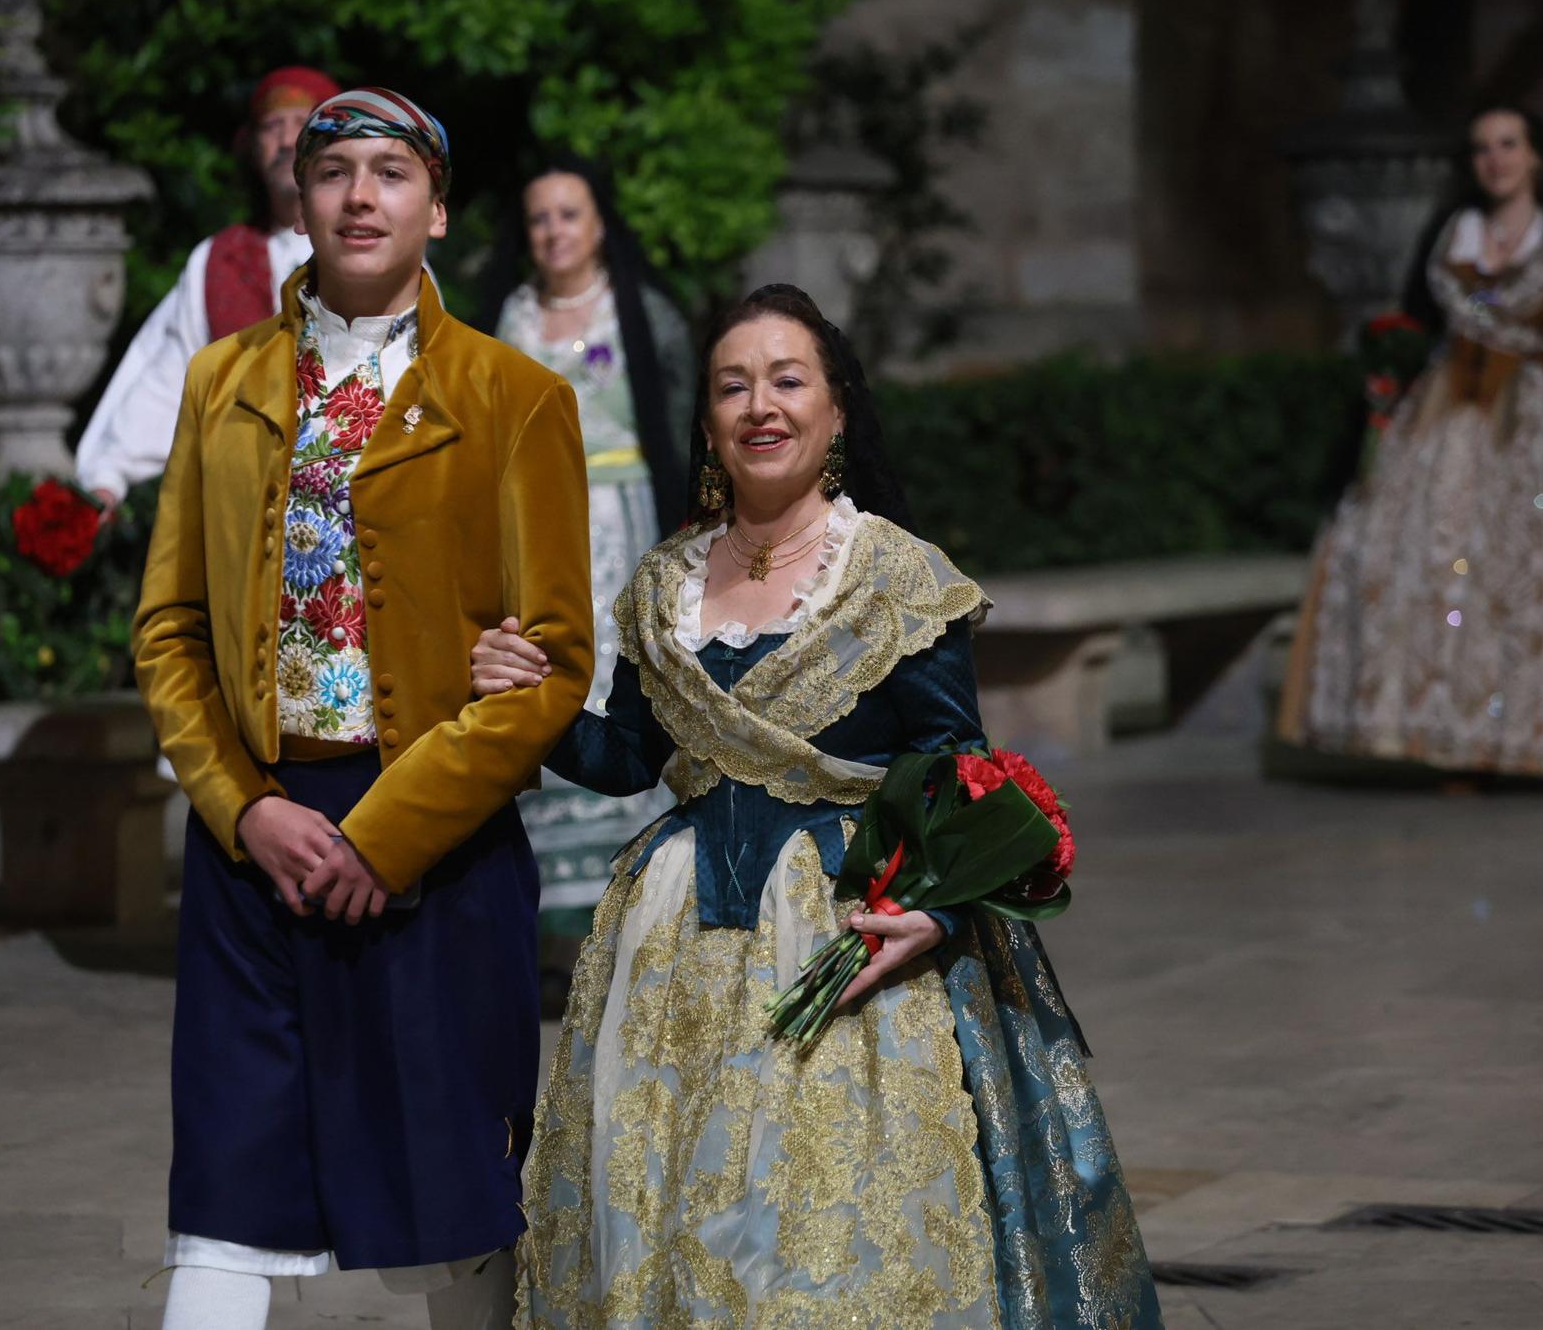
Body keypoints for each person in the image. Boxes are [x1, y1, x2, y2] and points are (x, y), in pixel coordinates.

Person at [473, 284, 1162, 1327]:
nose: (761, 405)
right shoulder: (662, 583)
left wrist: (934, 913)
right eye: (731, 385)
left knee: (822, 1232)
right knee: (676, 1220)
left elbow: (956, 769)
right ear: (705, 421)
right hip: (673, 958)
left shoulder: (892, 576)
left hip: (844, 942)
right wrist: (532, 702)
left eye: (787, 380)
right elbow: (626, 755)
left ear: (835, 410)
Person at [131, 88, 594, 1330]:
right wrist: (241, 808)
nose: (358, 194)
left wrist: (387, 836)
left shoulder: (516, 398)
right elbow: (168, 630)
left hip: (434, 846)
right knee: (228, 1188)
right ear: (300, 199)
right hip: (254, 845)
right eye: (333, 170)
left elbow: (553, 660)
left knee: (455, 1197)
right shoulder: (221, 384)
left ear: (435, 210)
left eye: (390, 173)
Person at [1279, 103, 1543, 777]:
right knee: (1408, 552)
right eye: (1482, 148)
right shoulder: (1456, 231)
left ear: (1535, 156)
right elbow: (1418, 315)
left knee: (1527, 568)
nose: (1495, 159)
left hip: (1532, 411)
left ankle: (1526, 735)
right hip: (1443, 409)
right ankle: (1438, 734)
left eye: (1507, 144)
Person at [471, 157, 694, 931]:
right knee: (542, 673)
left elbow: (678, 424)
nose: (554, 231)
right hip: (533, 524)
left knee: (619, 678)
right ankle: (548, 908)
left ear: (600, 223)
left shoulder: (643, 313)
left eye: (569, 213)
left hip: (625, 523)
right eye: (540, 217)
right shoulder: (507, 315)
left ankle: (638, 897)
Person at [75, 65, 340, 518]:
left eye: (302, 124)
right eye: (271, 127)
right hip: (244, 518)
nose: (285, 140)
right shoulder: (217, 261)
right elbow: (170, 378)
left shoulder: (378, 246)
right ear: (253, 148)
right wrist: (108, 478)